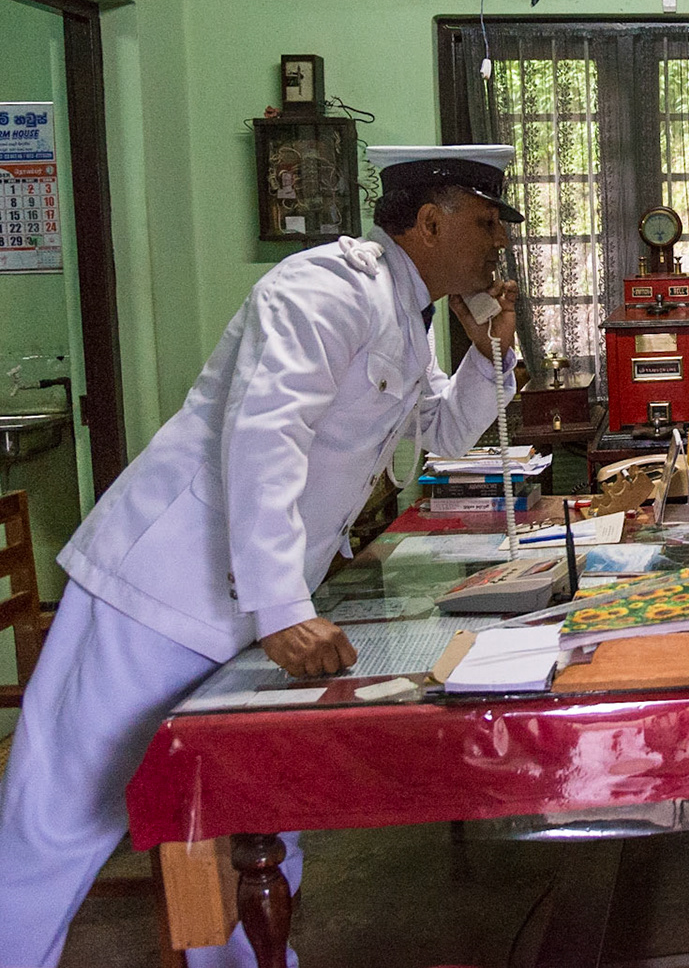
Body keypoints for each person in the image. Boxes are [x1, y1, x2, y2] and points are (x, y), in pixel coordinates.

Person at [0, 145, 526, 967]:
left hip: (251, 604)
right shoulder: (325, 288)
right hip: (161, 590)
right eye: (488, 223)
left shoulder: (406, 314)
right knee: (59, 824)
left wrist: (492, 354)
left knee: (250, 806)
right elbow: (265, 433)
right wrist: (285, 607)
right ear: (432, 221)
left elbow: (435, 440)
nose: (499, 245)